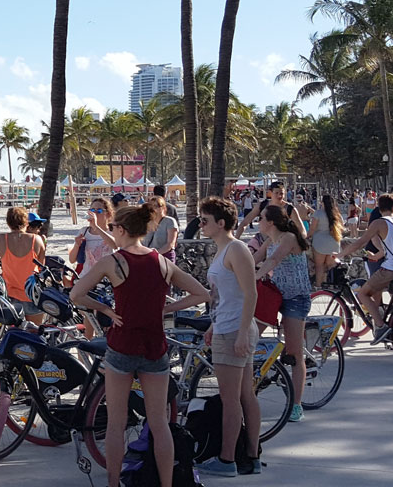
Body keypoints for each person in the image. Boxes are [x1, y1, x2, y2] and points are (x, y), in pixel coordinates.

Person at [69, 203, 210, 487]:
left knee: (116, 423)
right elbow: (201, 293)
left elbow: (76, 294)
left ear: (121, 229)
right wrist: (165, 311)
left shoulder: (115, 261)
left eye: (112, 229)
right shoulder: (161, 261)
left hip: (122, 346)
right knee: (160, 423)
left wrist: (106, 310)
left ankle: (113, 483)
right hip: (154, 346)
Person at [191, 196, 261, 476]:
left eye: (205, 220)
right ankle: (249, 456)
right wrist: (212, 325)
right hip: (227, 326)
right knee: (244, 395)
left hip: (234, 330)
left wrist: (242, 332)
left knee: (233, 398)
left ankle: (227, 459)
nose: (201, 224)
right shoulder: (224, 251)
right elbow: (224, 297)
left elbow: (250, 293)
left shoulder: (236, 249)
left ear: (221, 223)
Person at [338, 193, 393, 347]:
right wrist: (378, 255)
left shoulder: (379, 223)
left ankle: (380, 326)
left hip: (391, 270)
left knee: (363, 293)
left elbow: (360, 242)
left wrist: (340, 254)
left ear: (380, 207)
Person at [254, 205, 312, 423]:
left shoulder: (287, 238)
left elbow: (273, 260)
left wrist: (255, 277)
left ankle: (296, 405)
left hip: (295, 299)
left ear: (271, 222)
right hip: (275, 295)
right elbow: (256, 257)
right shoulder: (270, 239)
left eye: (261, 218)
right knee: (252, 334)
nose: (257, 221)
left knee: (294, 353)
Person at [0, 207, 47, 325]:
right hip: (32, 294)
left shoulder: (2, 239)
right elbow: (41, 267)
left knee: (13, 334)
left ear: (8, 222)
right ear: (26, 222)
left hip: (10, 294)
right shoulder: (36, 240)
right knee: (34, 334)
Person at [70, 198, 117, 278]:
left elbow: (115, 245)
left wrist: (96, 227)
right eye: (92, 210)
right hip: (87, 276)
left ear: (108, 214)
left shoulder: (113, 232)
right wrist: (77, 245)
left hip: (107, 278)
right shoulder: (84, 231)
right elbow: (72, 260)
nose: (95, 213)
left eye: (99, 211)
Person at [308, 195, 343, 285]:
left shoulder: (318, 214)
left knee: (319, 266)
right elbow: (342, 228)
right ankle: (331, 285)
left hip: (320, 243)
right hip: (334, 242)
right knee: (331, 266)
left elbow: (312, 230)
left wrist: (306, 237)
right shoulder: (336, 214)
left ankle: (319, 286)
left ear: (322, 202)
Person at [141, 196, 179, 261]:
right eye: (151, 207)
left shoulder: (170, 221)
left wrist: (155, 254)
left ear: (163, 207)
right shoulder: (148, 222)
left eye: (156, 206)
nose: (153, 209)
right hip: (148, 258)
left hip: (165, 258)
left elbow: (170, 244)